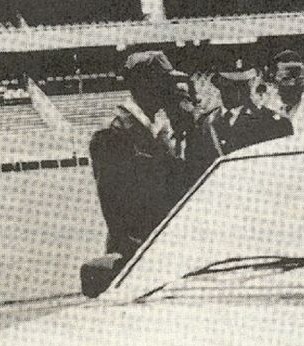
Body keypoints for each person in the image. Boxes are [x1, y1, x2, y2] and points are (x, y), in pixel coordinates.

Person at [89, 50, 196, 258]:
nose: (172, 89)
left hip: (164, 246)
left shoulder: (160, 130)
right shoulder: (113, 134)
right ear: (146, 86)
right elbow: (115, 210)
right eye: (165, 82)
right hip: (137, 254)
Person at [185, 55, 292, 180]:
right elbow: (194, 171)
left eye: (245, 84)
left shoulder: (275, 123)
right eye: (233, 84)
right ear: (218, 84)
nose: (242, 91)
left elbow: (281, 173)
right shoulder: (204, 124)